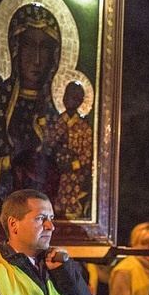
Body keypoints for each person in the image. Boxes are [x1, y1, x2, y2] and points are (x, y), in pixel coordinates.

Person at [0, 3, 62, 216]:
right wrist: (9, 162)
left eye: (44, 47)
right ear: (14, 47)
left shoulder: (56, 111)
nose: (36, 59)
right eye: (28, 45)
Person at [44, 81, 93, 220]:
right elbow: (48, 145)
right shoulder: (56, 122)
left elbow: (86, 155)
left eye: (74, 97)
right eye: (67, 95)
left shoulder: (84, 127)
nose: (68, 99)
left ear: (80, 101)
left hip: (75, 177)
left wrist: (71, 165)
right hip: (56, 173)